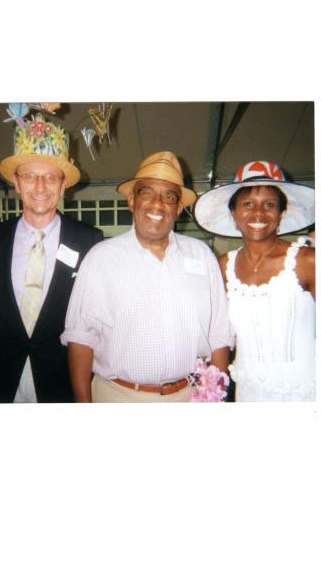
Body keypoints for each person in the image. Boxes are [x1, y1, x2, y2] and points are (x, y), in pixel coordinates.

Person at [62, 151, 233, 402]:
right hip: (119, 397)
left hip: (189, 396)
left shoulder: (202, 255)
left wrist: (212, 400)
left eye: (169, 196)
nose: (157, 204)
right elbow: (80, 338)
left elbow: (219, 334)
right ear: (131, 201)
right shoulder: (101, 258)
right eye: (147, 192)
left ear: (179, 208)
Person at [0, 111, 103, 402]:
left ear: (63, 186)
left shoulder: (89, 241)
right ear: (17, 183)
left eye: (50, 177)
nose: (40, 187)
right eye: (30, 176)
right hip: (5, 381)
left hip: (61, 382)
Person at [194, 160, 315, 401]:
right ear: (234, 213)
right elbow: (218, 332)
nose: (258, 213)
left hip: (305, 393)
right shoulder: (224, 265)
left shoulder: (307, 261)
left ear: (281, 214)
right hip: (248, 392)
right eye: (247, 204)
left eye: (269, 205)